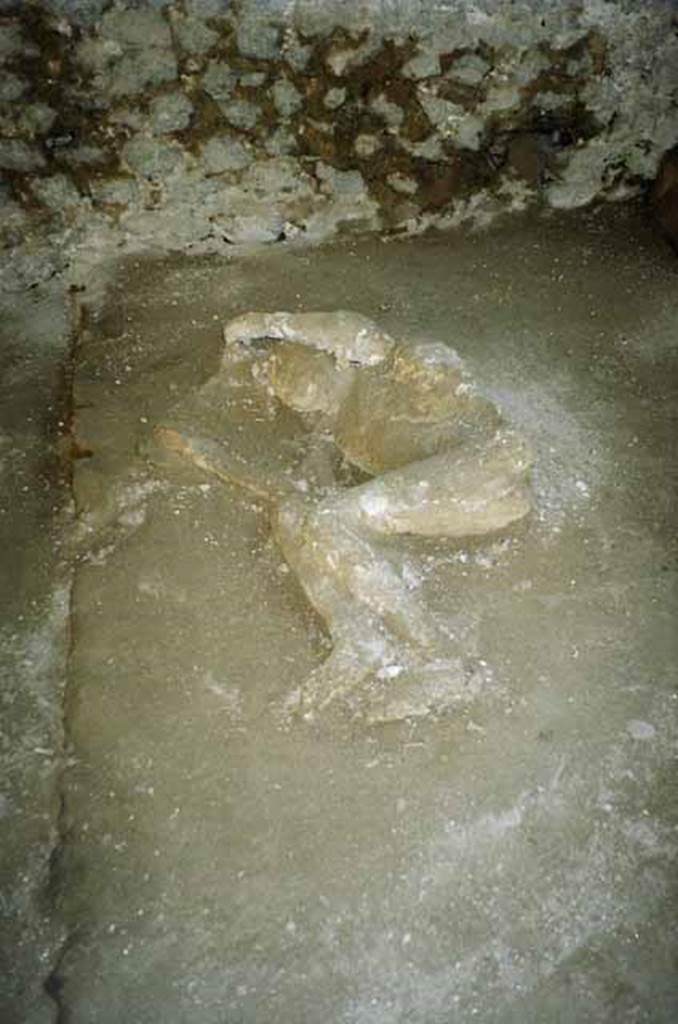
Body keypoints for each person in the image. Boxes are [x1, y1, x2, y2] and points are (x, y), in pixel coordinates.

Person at [156, 311, 532, 719]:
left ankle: (441, 656)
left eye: (289, 364)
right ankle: (357, 637)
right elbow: (289, 496)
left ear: (323, 356)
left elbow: (316, 328)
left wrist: (254, 327)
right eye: (278, 381)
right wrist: (208, 457)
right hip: (449, 496)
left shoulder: (370, 354)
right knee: (294, 515)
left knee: (330, 518)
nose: (287, 382)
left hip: (488, 463)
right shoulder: (329, 433)